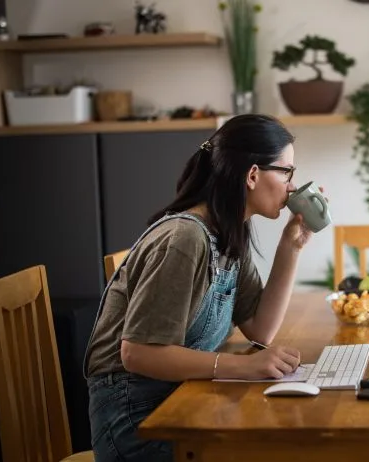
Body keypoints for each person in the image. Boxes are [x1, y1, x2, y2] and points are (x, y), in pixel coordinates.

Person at [83, 114, 316, 462]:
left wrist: (291, 246)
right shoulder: (185, 238)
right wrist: (246, 367)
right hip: (136, 417)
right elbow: (138, 353)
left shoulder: (229, 231)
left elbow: (260, 328)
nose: (292, 186)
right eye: (286, 172)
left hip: (180, 395)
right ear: (253, 175)